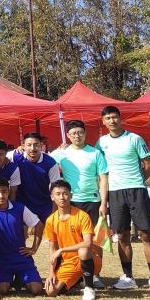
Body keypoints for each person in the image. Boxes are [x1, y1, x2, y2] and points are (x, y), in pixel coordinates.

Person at [97, 105, 150, 292]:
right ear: (103, 122)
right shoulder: (101, 142)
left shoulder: (134, 138)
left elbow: (148, 163)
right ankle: (128, 277)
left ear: (120, 118)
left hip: (136, 190)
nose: (112, 121)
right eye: (108, 118)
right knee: (122, 236)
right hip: (115, 193)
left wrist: (140, 181)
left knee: (145, 234)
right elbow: (99, 166)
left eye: (114, 117)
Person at [49, 120, 108, 288]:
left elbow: (103, 179)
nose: (77, 135)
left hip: (93, 201)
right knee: (68, 240)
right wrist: (18, 152)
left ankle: (95, 274)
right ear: (68, 135)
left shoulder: (95, 153)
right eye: (73, 133)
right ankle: (73, 272)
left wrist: (104, 202)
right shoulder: (61, 153)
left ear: (85, 133)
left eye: (80, 132)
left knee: (95, 240)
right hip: (70, 202)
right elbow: (42, 158)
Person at [43, 180, 100, 300]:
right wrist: (51, 273)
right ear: (52, 197)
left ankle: (89, 288)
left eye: (65, 193)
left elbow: (88, 243)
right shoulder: (50, 220)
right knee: (51, 291)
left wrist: (62, 249)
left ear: (71, 195)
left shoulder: (82, 215)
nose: (62, 197)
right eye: (58, 194)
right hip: (68, 262)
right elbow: (52, 250)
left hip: (89, 259)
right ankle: (76, 280)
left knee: (83, 251)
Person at [0, 177, 44, 296]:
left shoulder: (19, 207)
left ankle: (21, 277)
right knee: (1, 289)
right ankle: (13, 279)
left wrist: (34, 248)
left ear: (8, 192)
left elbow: (38, 225)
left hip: (21, 256)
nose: (1, 196)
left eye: (4, 191)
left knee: (37, 289)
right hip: (2, 259)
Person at [11, 132, 59, 223]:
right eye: (29, 145)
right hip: (23, 203)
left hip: (44, 204)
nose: (32, 148)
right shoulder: (15, 157)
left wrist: (54, 213)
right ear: (23, 146)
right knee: (22, 233)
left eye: (36, 145)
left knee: (46, 234)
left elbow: (55, 188)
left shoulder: (50, 163)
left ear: (41, 145)